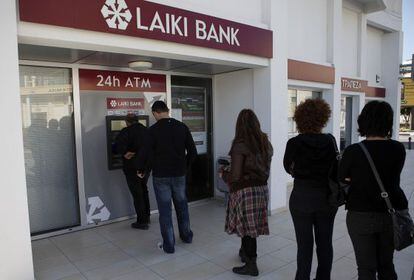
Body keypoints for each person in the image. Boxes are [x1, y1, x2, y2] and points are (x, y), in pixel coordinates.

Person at [339, 101, 408, 280]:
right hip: (390, 213)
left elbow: (342, 178)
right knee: (386, 265)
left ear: (363, 121)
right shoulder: (398, 148)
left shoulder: (353, 151)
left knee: (366, 268)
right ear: (388, 122)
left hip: (360, 214)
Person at [283, 99, 338, 280]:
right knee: (325, 243)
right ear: (323, 118)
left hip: (301, 197)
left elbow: (287, 168)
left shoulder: (294, 143)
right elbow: (336, 168)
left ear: (299, 119)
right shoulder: (330, 141)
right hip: (326, 199)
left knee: (304, 245)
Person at [219, 109, 273, 277]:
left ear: (239, 125)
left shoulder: (240, 144)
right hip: (261, 189)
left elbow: (235, 176)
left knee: (247, 229)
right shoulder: (265, 142)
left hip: (245, 191)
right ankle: (244, 253)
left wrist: (223, 173)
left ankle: (251, 264)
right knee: (251, 225)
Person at [139, 101, 197, 254]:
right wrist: (185, 167)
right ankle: (186, 236)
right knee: (182, 206)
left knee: (165, 212)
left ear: (155, 113)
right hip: (179, 174)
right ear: (167, 110)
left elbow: (146, 154)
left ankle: (169, 245)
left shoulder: (152, 131)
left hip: (161, 176)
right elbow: (192, 151)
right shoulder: (182, 127)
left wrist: (142, 169)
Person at [115, 113, 151, 230]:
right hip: (145, 167)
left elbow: (116, 147)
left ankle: (142, 221)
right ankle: (147, 216)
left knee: (137, 193)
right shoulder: (147, 131)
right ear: (137, 120)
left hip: (132, 167)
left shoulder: (126, 131)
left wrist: (126, 153)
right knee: (144, 189)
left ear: (127, 121)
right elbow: (151, 147)